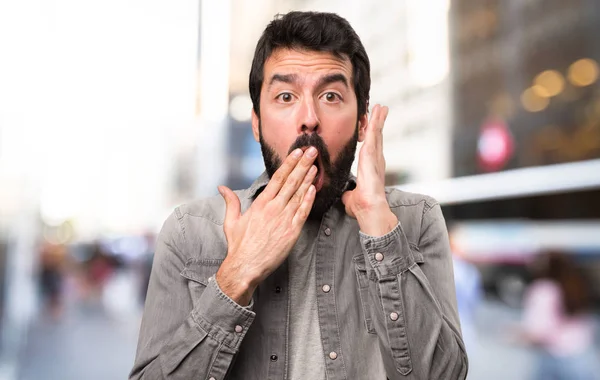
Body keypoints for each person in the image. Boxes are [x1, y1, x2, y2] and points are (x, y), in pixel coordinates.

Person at [130, 11, 467, 380]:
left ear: (362, 123)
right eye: (286, 96)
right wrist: (235, 277)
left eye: (331, 95)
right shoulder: (188, 231)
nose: (309, 118)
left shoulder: (417, 219)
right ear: (256, 123)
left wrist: (379, 227)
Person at [516, 251, 599, 380]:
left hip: (554, 355)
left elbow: (538, 330)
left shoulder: (543, 289)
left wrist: (517, 335)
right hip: (581, 354)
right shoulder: (575, 283)